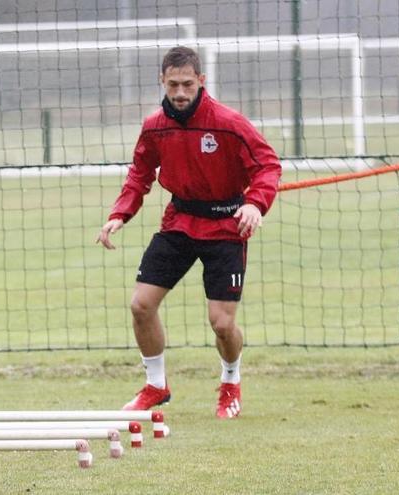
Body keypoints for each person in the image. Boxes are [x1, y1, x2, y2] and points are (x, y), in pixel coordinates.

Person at [96, 46, 281, 419]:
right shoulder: (154, 127)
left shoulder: (229, 123)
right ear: (161, 82)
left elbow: (268, 166)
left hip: (227, 225)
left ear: (201, 81)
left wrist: (254, 204)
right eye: (172, 85)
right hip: (179, 222)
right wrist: (120, 213)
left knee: (222, 323)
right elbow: (140, 174)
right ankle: (155, 386)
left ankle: (230, 382)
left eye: (186, 84)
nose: (180, 93)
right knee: (141, 305)